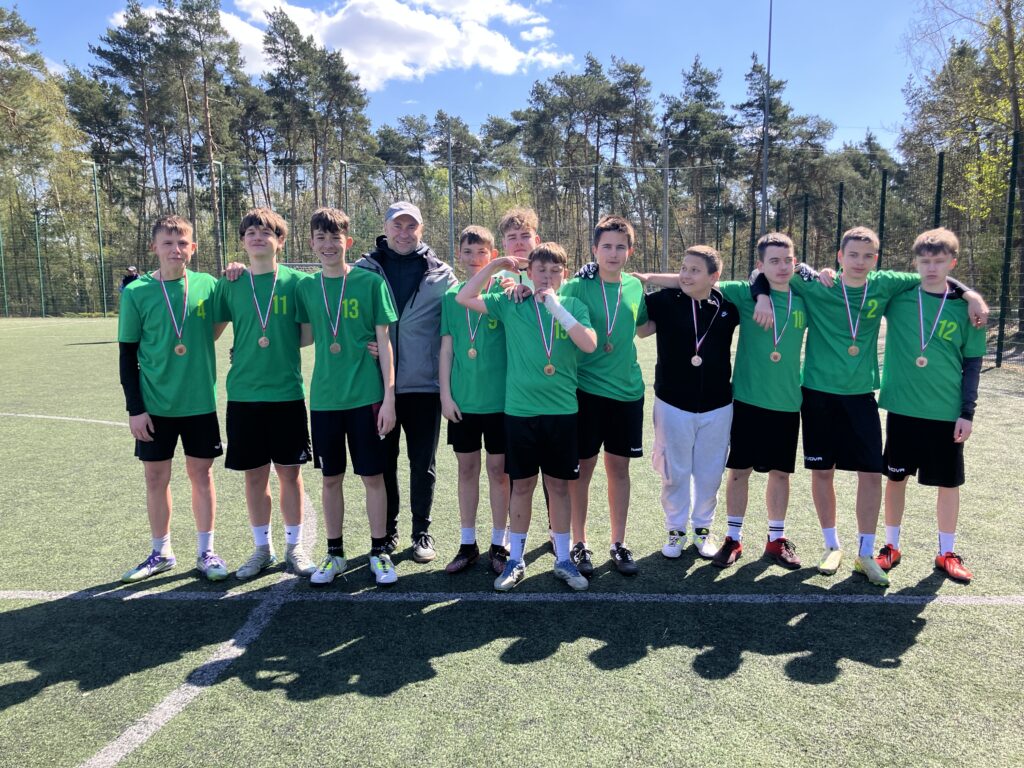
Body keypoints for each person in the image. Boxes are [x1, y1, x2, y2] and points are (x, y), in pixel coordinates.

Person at [751, 225, 988, 587]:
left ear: (876, 259)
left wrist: (971, 294)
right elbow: (764, 273)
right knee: (822, 472)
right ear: (839, 257)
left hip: (862, 395)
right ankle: (832, 545)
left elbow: (937, 276)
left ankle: (865, 552)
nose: (859, 262)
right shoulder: (816, 284)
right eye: (852, 255)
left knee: (872, 474)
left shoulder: (886, 284)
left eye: (867, 256)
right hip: (816, 393)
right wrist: (762, 297)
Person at [457, 243, 597, 592]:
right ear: (529, 273)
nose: (547, 277)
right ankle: (516, 559)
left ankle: (563, 559)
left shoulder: (573, 305)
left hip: (562, 412)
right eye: (541, 271)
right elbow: (465, 297)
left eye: (555, 271)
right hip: (519, 412)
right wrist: (496, 266)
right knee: (522, 486)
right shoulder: (512, 302)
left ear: (565, 275)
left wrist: (556, 307)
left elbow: (589, 344)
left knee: (559, 487)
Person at [117, 215, 227, 583]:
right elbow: (127, 355)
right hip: (155, 405)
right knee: (155, 477)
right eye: (168, 243)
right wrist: (135, 409)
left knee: (202, 475)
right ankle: (161, 552)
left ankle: (206, 551)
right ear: (154, 247)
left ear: (193, 248)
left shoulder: (207, 285)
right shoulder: (137, 292)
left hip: (199, 402)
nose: (175, 249)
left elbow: (218, 323)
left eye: (182, 243)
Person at [294, 208, 400, 586]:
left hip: (366, 397)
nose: (328, 245)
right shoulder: (305, 287)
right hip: (324, 400)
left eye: (335, 238)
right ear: (311, 243)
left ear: (348, 242)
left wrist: (389, 399)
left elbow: (385, 344)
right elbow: (303, 337)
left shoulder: (370, 283)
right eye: (321, 238)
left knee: (373, 476)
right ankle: (335, 553)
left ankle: (379, 551)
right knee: (330, 479)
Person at [874, 228, 985, 583]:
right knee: (896, 478)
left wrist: (967, 412)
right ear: (915, 263)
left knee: (948, 484)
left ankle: (947, 552)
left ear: (952, 262)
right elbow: (865, 280)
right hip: (903, 408)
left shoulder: (967, 311)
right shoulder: (900, 297)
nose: (931, 268)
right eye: (925, 262)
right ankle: (891, 545)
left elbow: (972, 365)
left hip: (946, 411)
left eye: (939, 261)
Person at [212, 207, 316, 580]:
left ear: (280, 241)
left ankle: (295, 547)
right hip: (243, 394)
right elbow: (212, 331)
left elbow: (308, 334)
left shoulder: (297, 283)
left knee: (290, 474)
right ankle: (262, 549)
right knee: (254, 477)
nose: (258, 237)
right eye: (251, 233)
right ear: (243, 241)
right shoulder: (231, 283)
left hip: (286, 393)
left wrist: (278, 344)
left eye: (266, 232)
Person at [355, 202, 457, 563]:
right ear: (385, 228)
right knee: (383, 462)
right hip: (377, 386)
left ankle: (421, 532)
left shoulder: (441, 274)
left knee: (422, 464)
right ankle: (388, 531)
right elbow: (342, 315)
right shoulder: (363, 270)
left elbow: (462, 310)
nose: (404, 233)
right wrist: (364, 342)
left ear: (421, 229)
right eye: (397, 226)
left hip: (423, 386)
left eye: (411, 226)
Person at [637, 246, 739, 561]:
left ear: (714, 276)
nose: (685, 275)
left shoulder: (728, 305)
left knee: (710, 474)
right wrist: (648, 280)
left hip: (718, 406)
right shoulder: (665, 301)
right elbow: (641, 331)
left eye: (695, 270)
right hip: (672, 403)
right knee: (674, 472)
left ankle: (703, 531)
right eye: (683, 268)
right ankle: (676, 530)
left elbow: (756, 285)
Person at [560, 215, 648, 577]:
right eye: (606, 246)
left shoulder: (635, 287)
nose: (613, 253)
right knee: (582, 471)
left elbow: (644, 326)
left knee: (619, 469)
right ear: (594, 249)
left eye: (620, 247)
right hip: (586, 391)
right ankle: (579, 543)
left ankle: (618, 542)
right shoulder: (577, 287)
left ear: (630, 251)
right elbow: (547, 300)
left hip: (628, 392)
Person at [439, 226, 511, 575]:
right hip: (462, 403)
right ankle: (468, 544)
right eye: (467, 252)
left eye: (481, 252)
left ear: (493, 255)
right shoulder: (451, 296)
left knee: (498, 472)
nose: (474, 258)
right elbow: (447, 349)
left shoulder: (504, 293)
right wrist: (445, 395)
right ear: (459, 255)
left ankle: (500, 542)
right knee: (466, 470)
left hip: (500, 403)